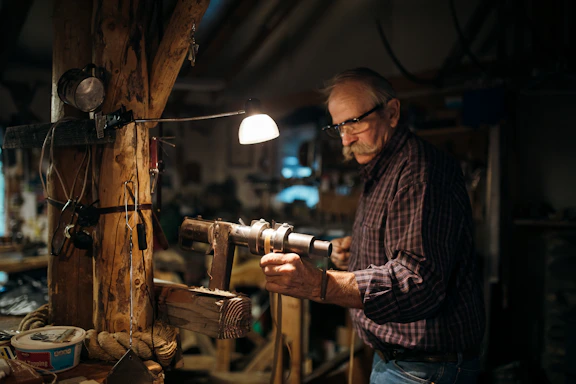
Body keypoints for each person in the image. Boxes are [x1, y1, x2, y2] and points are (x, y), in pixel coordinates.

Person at [260, 68, 486, 383]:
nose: (346, 139)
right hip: (398, 363)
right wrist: (354, 253)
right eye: (338, 127)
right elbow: (400, 246)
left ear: (392, 113)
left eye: (355, 122)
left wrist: (320, 284)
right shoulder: (382, 168)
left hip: (426, 370)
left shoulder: (420, 173)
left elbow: (418, 282)